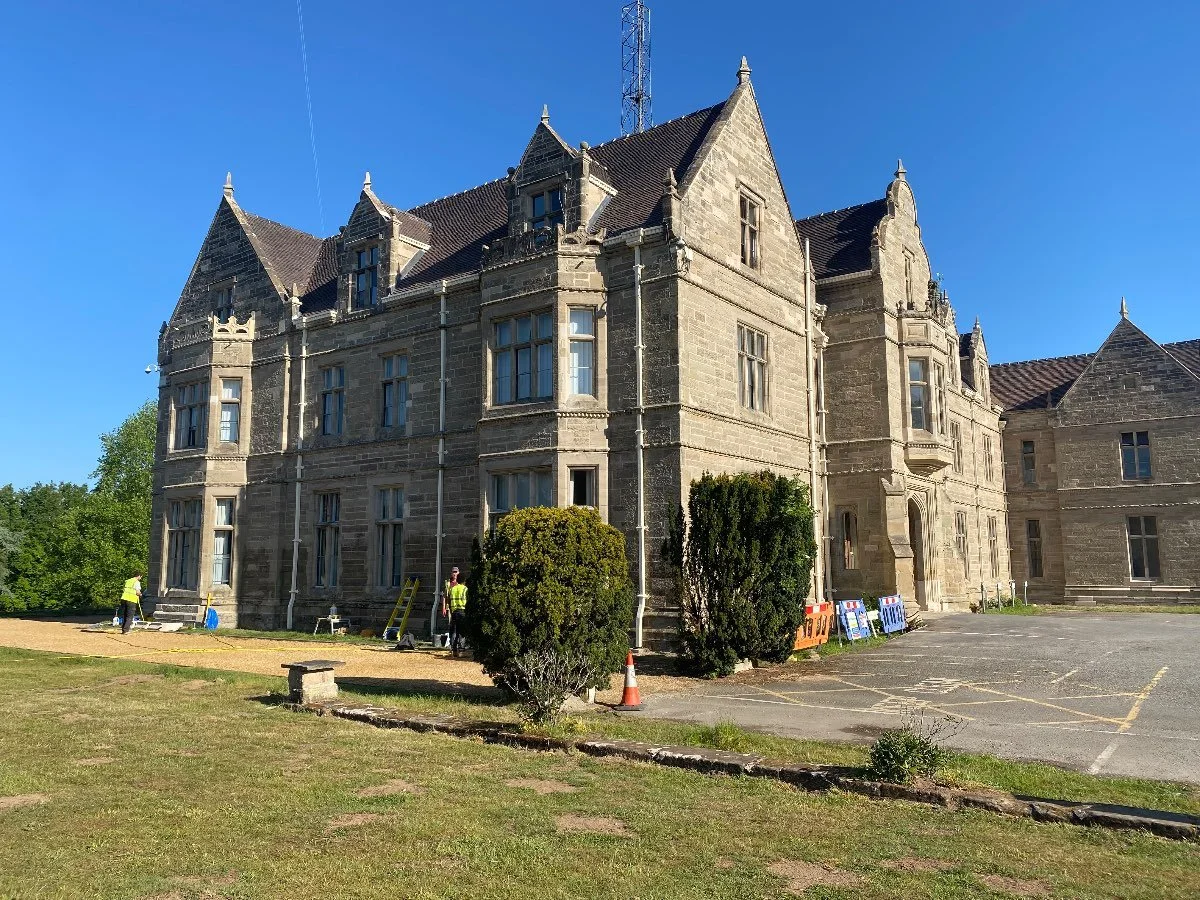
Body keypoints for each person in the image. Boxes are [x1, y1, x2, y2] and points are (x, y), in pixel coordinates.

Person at [440, 566, 468, 657]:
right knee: (462, 631)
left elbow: (448, 597)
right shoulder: (464, 588)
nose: (454, 573)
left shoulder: (452, 589)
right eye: (453, 572)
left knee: (454, 630)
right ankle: (462, 650)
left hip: (454, 610)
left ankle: (454, 650)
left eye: (456, 572)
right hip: (461, 611)